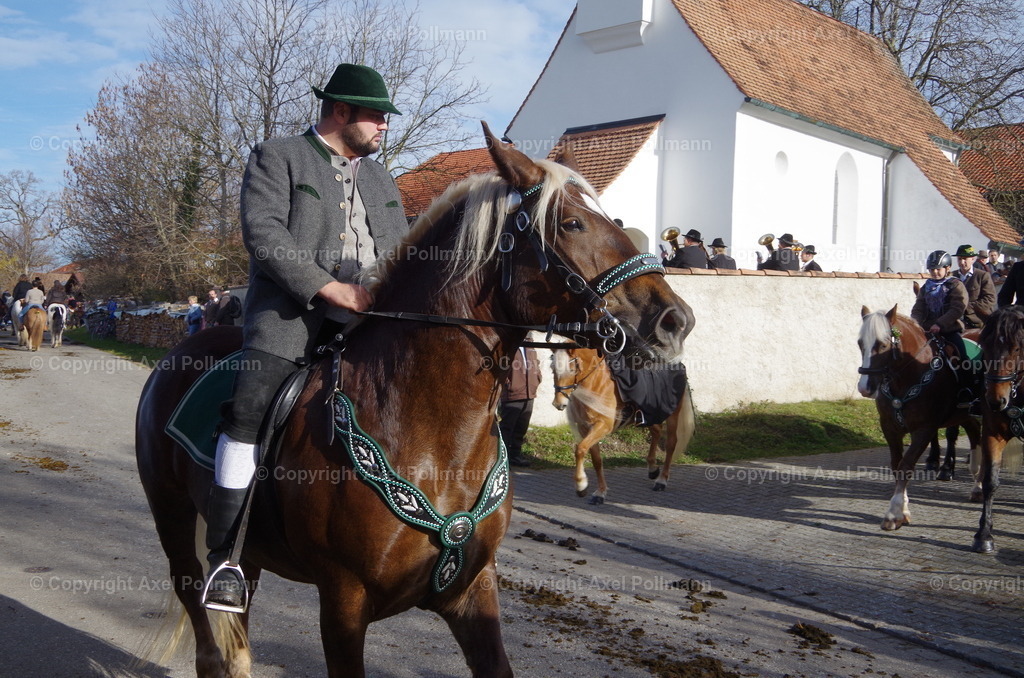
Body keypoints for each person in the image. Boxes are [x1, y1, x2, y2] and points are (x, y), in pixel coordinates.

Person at [203, 63, 408, 611]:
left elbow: (405, 252)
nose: (384, 126)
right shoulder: (277, 156)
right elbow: (263, 234)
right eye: (376, 116)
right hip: (290, 320)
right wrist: (327, 288)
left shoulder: (384, 178)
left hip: (377, 325)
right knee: (248, 411)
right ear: (341, 111)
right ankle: (226, 558)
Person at [912, 250, 974, 404]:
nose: (934, 272)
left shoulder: (955, 284)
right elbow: (918, 308)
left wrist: (940, 324)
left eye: (938, 269)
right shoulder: (926, 286)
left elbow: (958, 308)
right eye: (932, 269)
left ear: (947, 268)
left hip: (949, 329)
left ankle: (967, 389)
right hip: (927, 330)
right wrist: (915, 323)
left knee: (961, 356)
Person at [499, 347, 542, 468]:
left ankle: (515, 455)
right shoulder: (509, 343)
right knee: (507, 428)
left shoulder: (530, 346)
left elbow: (536, 363)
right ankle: (503, 458)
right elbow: (501, 365)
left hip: (529, 393)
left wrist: (537, 377)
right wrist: (507, 383)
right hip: (513, 393)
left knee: (521, 427)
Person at [954, 244, 994, 329]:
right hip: (955, 320)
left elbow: (990, 298)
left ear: (973, 259)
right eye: (959, 259)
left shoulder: (982, 276)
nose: (961, 262)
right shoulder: (952, 276)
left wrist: (968, 307)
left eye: (965, 259)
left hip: (977, 321)